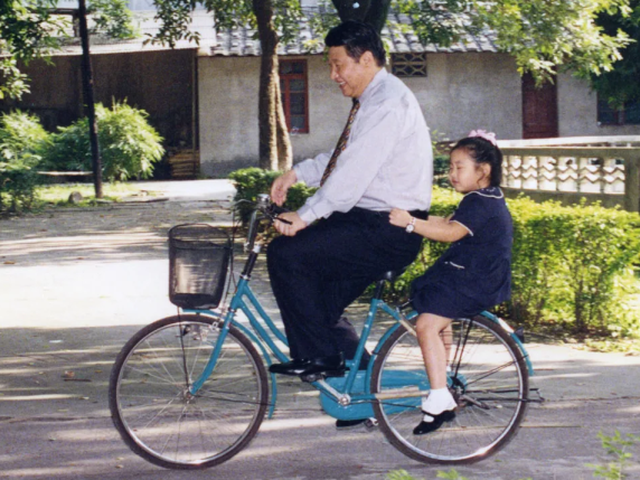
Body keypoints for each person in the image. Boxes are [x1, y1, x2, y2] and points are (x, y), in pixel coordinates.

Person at [267, 20, 433, 381]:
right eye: (331, 66)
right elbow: (344, 158)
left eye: (338, 65)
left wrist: (306, 215)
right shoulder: (374, 99)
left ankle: (319, 357)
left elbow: (352, 174)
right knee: (315, 304)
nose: (333, 75)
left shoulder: (388, 103)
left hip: (389, 227)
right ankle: (362, 384)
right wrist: (296, 174)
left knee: (286, 255)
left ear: (366, 60)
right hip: (371, 221)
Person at [389, 131, 512, 435]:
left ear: (483, 170)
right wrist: (410, 218)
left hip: (475, 279)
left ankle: (439, 396)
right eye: (451, 167)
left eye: (459, 167)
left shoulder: (481, 202)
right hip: (471, 274)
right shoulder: (483, 197)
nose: (452, 174)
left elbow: (451, 233)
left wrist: (411, 223)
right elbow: (446, 223)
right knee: (434, 308)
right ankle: (440, 379)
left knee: (426, 325)